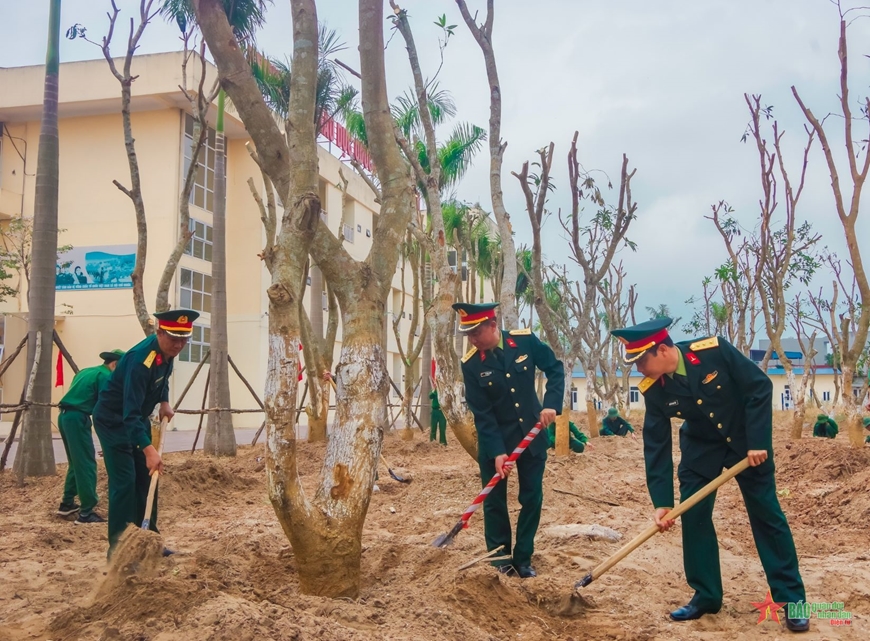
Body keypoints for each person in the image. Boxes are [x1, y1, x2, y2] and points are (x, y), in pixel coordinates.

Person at [611, 318, 808, 632]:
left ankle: (792, 598)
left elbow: (759, 388)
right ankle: (706, 596)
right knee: (694, 515)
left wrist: (758, 441)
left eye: (640, 361)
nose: (638, 370)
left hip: (746, 443)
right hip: (701, 450)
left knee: (766, 514)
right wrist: (661, 502)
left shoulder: (713, 351)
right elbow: (656, 445)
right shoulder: (654, 389)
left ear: (662, 350)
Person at [454, 302, 564, 579]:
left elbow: (555, 368)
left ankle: (523, 557)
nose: (473, 340)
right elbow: (483, 412)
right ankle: (500, 557)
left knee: (531, 498)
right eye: (468, 335)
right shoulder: (470, 364)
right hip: (496, 440)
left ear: (493, 326)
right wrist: (497, 452)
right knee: (493, 501)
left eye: (476, 333)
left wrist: (551, 404)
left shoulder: (524, 342)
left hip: (532, 434)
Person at [93, 309, 198, 557]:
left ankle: (149, 541)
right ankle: (120, 551)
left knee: (146, 479)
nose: (179, 345)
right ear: (159, 332)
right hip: (113, 421)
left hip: (135, 420)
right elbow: (128, 413)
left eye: (184, 339)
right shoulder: (141, 361)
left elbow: (163, 378)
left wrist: (164, 401)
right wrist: (149, 449)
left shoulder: (168, 351)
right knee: (125, 482)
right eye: (174, 338)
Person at [56, 349, 125, 524]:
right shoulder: (105, 377)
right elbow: (105, 408)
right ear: (115, 364)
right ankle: (86, 512)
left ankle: (67, 504)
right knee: (86, 463)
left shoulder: (86, 371)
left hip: (64, 416)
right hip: (78, 418)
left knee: (76, 462)